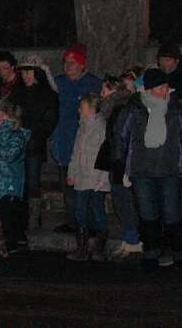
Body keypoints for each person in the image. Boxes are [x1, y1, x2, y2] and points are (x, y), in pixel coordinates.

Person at [114, 68, 182, 268]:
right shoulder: (134, 109)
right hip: (142, 170)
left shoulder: (177, 108)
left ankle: (177, 251)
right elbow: (121, 136)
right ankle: (151, 252)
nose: (165, 91)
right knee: (147, 213)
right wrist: (118, 161)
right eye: (160, 88)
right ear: (149, 90)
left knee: (172, 212)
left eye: (166, 87)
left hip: (170, 169)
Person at [50, 44, 102, 234]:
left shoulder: (93, 83)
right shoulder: (60, 82)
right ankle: (72, 221)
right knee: (68, 183)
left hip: (87, 142)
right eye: (66, 63)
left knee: (88, 184)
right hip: (64, 140)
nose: (68, 67)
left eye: (72, 63)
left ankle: (92, 223)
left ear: (82, 65)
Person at [97, 76, 141, 264]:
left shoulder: (121, 108)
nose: (101, 95)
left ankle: (133, 243)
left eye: (104, 90)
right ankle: (128, 241)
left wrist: (123, 167)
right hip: (116, 161)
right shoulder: (115, 108)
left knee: (124, 202)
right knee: (120, 202)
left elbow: (122, 139)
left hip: (121, 163)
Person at [13, 54, 58, 230]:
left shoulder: (47, 95)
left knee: (33, 182)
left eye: (29, 71)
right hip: (17, 146)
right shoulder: (17, 92)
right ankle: (20, 216)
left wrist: (33, 136)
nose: (26, 76)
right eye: (23, 72)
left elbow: (50, 122)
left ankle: (34, 217)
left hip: (34, 146)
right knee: (18, 182)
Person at [65, 94, 110, 261]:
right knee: (80, 211)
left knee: (97, 210)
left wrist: (102, 178)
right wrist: (72, 173)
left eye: (82, 107)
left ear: (91, 109)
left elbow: (105, 155)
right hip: (82, 177)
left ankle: (99, 248)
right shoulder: (82, 127)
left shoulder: (101, 127)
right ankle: (82, 248)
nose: (79, 110)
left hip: (96, 178)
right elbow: (76, 153)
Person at [0, 98, 31, 254]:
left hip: (10, 181)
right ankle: (3, 241)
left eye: (1, 113)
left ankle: (13, 242)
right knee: (2, 214)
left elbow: (9, 155)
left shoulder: (16, 134)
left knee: (9, 214)